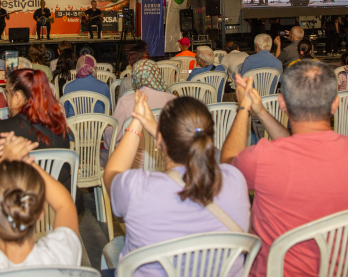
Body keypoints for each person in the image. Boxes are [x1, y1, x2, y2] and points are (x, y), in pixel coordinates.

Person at [222, 62, 348, 277]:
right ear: (335, 104)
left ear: (282, 103)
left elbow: (227, 169)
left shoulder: (265, 158)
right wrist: (262, 112)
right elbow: (300, 145)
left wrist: (243, 109)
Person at [103, 95, 251, 277]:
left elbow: (112, 173)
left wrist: (136, 122)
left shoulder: (138, 190)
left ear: (160, 141)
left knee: (112, 248)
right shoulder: (235, 183)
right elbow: (232, 155)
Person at [0, 135, 80, 275]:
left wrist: (4, 161)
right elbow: (64, 204)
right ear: (42, 210)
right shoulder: (61, 259)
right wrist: (26, 159)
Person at [0, 68, 69, 177]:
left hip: (13, 193)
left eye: (7, 92)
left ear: (17, 97)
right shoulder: (60, 128)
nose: (6, 97)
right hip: (54, 193)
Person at [103, 59, 176, 167]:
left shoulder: (126, 101)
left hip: (135, 165)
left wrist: (106, 131)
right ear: (156, 74)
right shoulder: (173, 100)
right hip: (166, 162)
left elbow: (112, 138)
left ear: (135, 77)